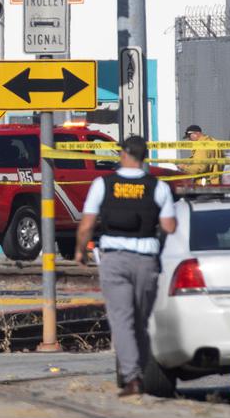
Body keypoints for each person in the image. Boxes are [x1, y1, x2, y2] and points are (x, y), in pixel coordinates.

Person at [75, 136, 178, 397]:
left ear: (123, 154)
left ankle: (133, 377)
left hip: (114, 259)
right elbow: (170, 227)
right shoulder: (158, 187)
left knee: (122, 319)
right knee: (141, 321)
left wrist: (80, 250)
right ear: (144, 157)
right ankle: (139, 372)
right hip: (146, 261)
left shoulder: (103, 184)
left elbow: (87, 223)